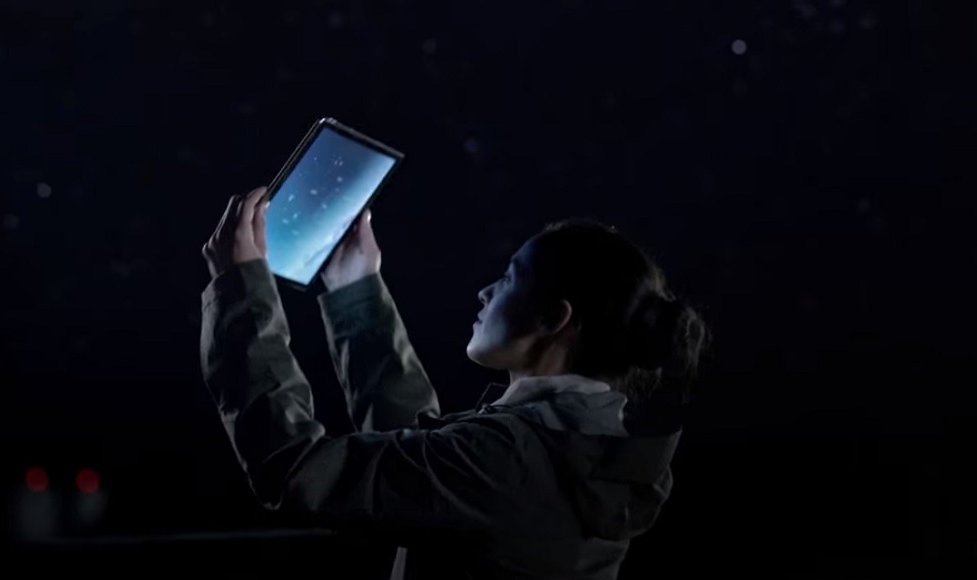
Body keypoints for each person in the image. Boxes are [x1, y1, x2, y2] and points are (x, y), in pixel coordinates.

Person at [201, 187, 709, 580]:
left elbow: (297, 469)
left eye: (509, 278)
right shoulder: (584, 446)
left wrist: (240, 288)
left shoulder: (508, 456)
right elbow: (425, 462)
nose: (485, 292)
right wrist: (355, 290)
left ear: (554, 319)